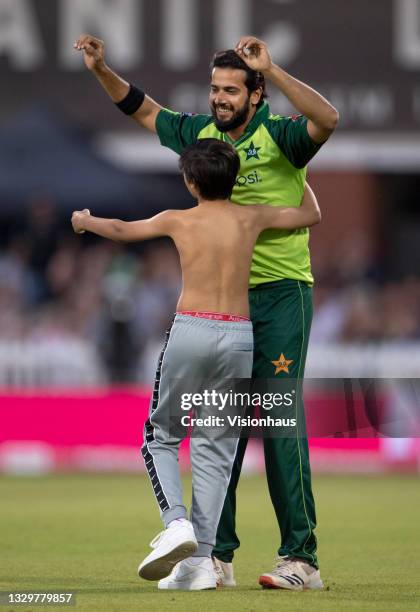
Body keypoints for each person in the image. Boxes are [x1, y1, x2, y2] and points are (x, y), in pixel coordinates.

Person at [74, 33, 338, 590]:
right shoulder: (201, 134)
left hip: (282, 292)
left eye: (231, 90)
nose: (218, 100)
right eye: (214, 89)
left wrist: (275, 68)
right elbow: (139, 107)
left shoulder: (284, 136)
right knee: (223, 429)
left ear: (256, 93)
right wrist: (101, 68)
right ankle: (216, 556)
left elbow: (329, 119)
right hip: (233, 312)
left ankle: (301, 558)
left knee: (277, 419)